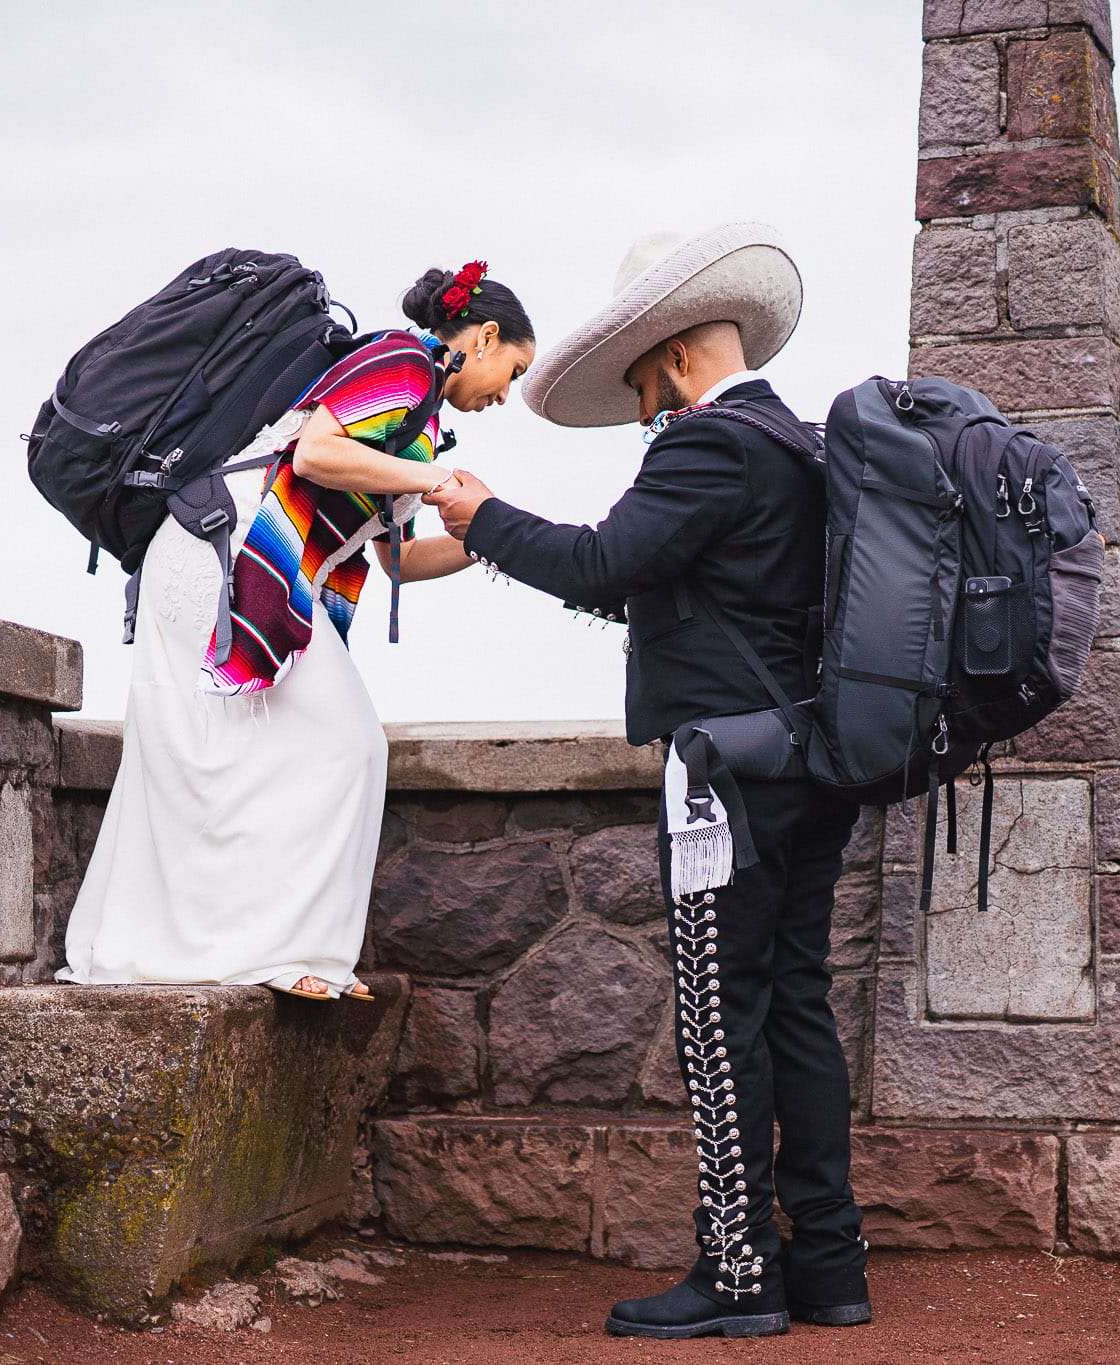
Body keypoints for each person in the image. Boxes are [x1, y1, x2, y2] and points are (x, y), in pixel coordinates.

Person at [429, 225, 869, 1339]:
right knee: (798, 1004)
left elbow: (602, 563)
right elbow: (669, 584)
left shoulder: (706, 444)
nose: (639, 410)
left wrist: (484, 521)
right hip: (813, 758)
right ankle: (829, 1265)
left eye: (637, 384)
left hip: (725, 772)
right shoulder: (800, 445)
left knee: (722, 1015)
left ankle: (738, 1271)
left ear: (673, 354)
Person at [60, 262, 535, 1001]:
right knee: (346, 742)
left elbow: (394, 560)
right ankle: (279, 951)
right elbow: (314, 451)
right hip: (223, 550)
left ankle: (231, 948)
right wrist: (436, 484)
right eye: (513, 372)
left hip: (231, 552)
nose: (505, 394)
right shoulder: (403, 361)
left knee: (243, 749)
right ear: (485, 337)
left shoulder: (422, 422)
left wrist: (494, 536)